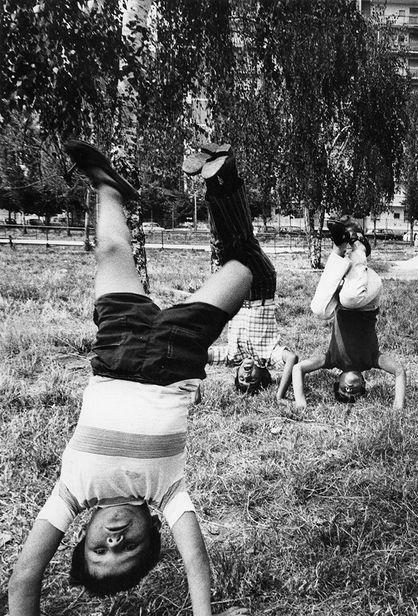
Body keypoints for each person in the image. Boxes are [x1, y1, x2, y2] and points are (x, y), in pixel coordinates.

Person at [8, 141, 250, 616]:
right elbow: (196, 563)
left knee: (112, 251)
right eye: (127, 550)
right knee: (247, 270)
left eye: (99, 550)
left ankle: (108, 188)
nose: (114, 541)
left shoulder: (71, 492)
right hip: (174, 356)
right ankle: (220, 181)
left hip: (115, 352)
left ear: (82, 532)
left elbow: (23, 579)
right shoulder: (168, 493)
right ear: (153, 535)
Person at [182, 143, 298, 397]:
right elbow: (293, 359)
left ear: (234, 373)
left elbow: (197, 355)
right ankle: (228, 169)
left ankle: (213, 181)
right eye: (252, 381)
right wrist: (279, 394)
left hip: (237, 289)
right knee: (243, 239)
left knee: (222, 241)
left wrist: (195, 390)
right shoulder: (269, 355)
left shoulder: (231, 354)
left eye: (241, 380)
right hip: (260, 285)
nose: (246, 375)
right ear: (263, 375)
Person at [282, 217, 405, 411]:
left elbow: (298, 369)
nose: (349, 389)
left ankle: (339, 246)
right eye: (354, 393)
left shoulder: (332, 360)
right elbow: (399, 371)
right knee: (349, 298)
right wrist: (398, 408)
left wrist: (300, 401)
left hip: (347, 286)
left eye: (343, 391)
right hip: (366, 291)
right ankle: (359, 247)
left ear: (337, 381)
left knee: (319, 309)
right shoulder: (371, 360)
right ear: (364, 384)